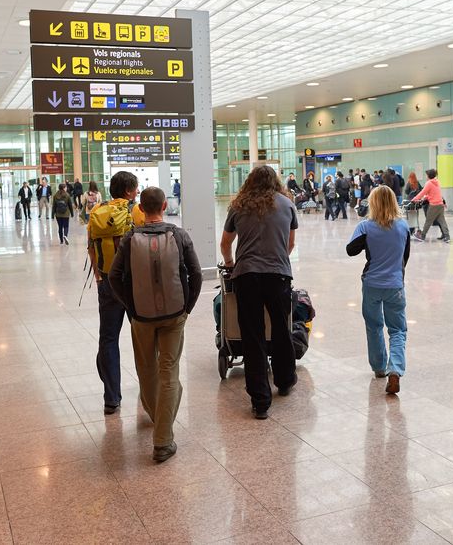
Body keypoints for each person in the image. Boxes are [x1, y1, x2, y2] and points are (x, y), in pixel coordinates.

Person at [108, 187, 203, 463]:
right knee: (169, 370)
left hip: (142, 317)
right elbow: (196, 273)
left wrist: (132, 306)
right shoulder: (179, 235)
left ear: (141, 206)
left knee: (147, 369)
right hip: (174, 314)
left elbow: (114, 276)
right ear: (164, 205)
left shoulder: (129, 238)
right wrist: (187, 307)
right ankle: (163, 440)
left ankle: (157, 416)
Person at [219, 165, 298, 419]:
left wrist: (231, 264)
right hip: (278, 275)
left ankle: (260, 400)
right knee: (281, 327)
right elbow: (291, 243)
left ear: (249, 182)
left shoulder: (239, 205)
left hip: (247, 276)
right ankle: (285, 380)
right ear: (275, 181)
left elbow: (225, 242)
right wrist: (276, 260)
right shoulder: (287, 204)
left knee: (252, 335)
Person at [346, 185, 411, 394]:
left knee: (374, 326)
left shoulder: (366, 227)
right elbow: (405, 257)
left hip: (372, 284)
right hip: (395, 285)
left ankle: (379, 368)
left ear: (372, 203)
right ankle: (396, 370)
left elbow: (350, 250)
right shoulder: (403, 226)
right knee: (398, 330)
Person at [88, 171, 139, 415]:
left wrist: (99, 276)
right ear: (129, 191)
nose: (137, 193)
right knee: (142, 337)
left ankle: (111, 397)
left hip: (107, 281)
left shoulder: (97, 212)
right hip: (133, 283)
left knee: (108, 338)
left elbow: (91, 247)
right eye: (136, 189)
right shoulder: (135, 212)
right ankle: (148, 388)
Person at [411, 169, 449, 243]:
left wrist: (414, 199)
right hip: (440, 204)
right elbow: (434, 193)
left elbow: (422, 192)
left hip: (434, 205)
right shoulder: (437, 182)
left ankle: (422, 236)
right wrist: (427, 197)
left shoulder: (429, 183)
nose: (426, 176)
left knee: (428, 221)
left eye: (426, 175)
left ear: (429, 176)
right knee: (442, 221)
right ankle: (447, 236)